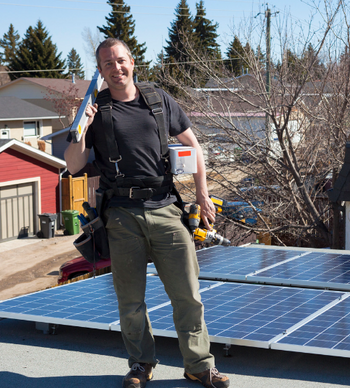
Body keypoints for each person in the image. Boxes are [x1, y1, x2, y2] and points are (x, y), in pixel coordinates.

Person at [64, 38, 230, 388]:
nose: (116, 68)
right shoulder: (96, 109)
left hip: (166, 208)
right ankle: (141, 364)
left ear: (132, 62)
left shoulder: (157, 100)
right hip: (121, 216)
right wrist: (80, 127)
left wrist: (202, 193)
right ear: (100, 70)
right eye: (108, 63)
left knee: (187, 294)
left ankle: (199, 365)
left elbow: (193, 146)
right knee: (130, 300)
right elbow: (74, 165)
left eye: (121, 60)